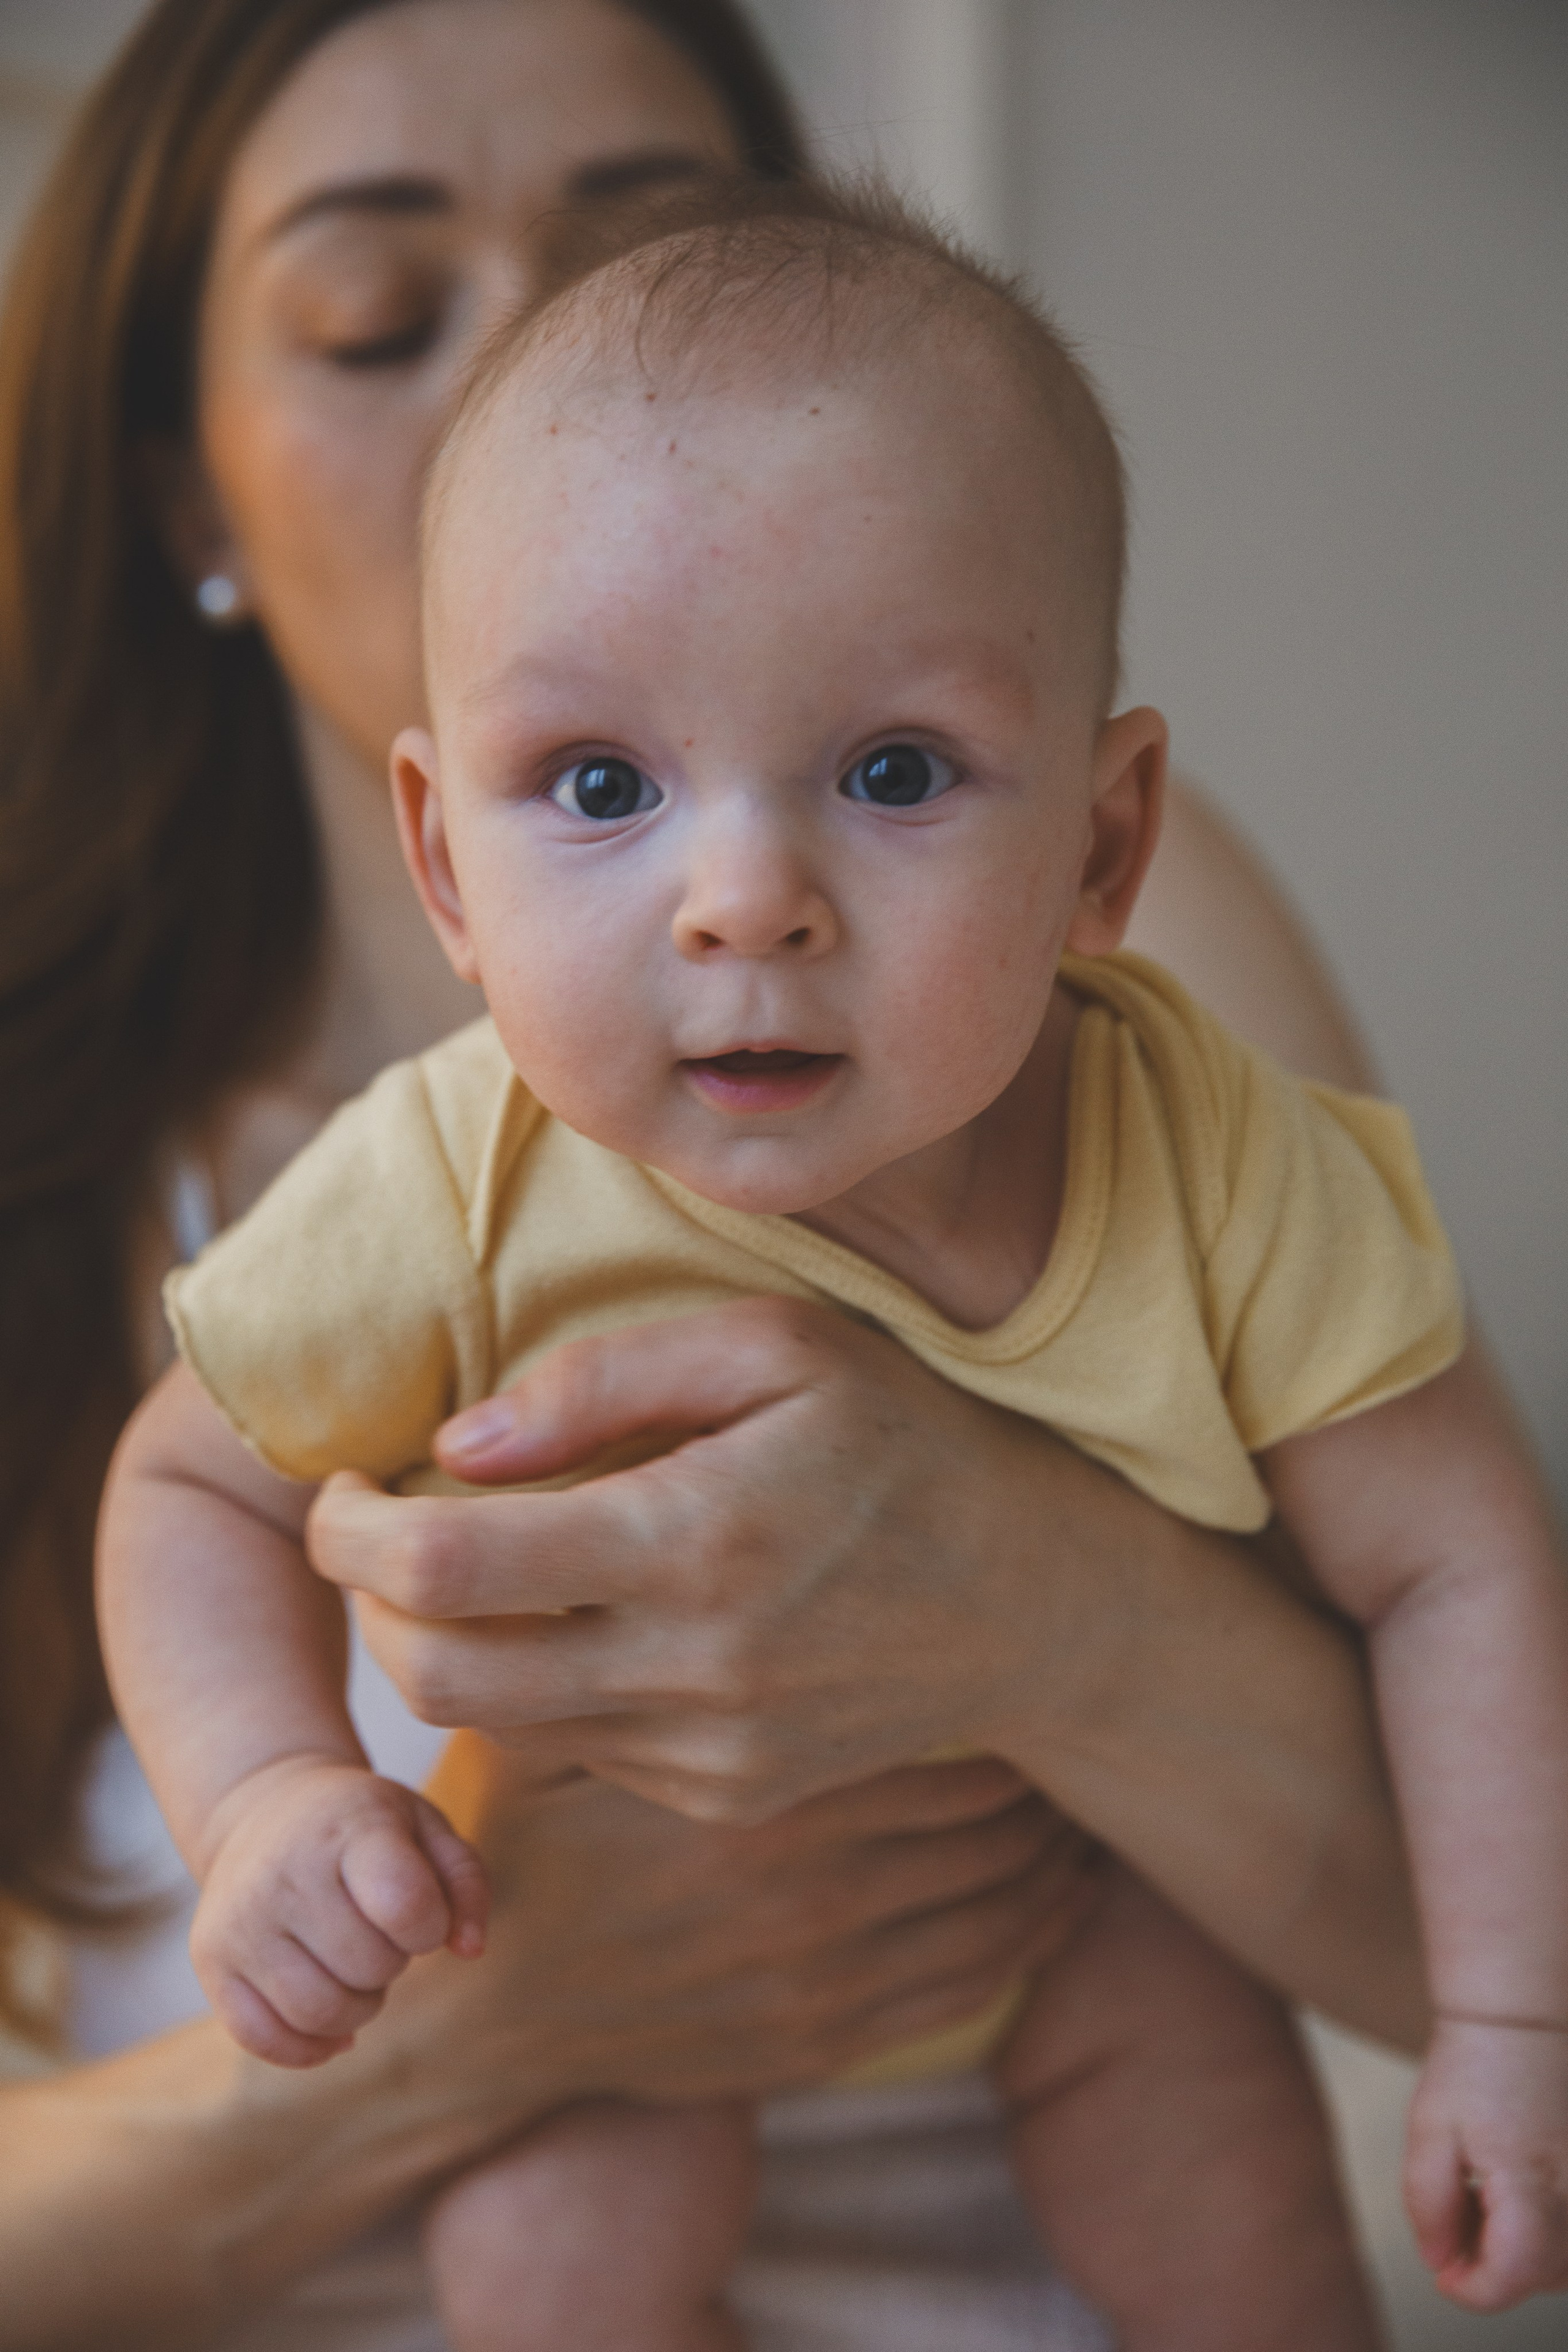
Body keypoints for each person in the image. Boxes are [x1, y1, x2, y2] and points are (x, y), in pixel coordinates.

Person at [0, 1, 1519, 2343]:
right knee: (564, 2247)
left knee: (1231, 2207)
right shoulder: (427, 1184)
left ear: (1096, 841)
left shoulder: (1171, 1097)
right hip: (569, 1944)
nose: (748, 903)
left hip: (1075, 1929)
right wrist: (289, 1812)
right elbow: (188, 1496)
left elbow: (1456, 1586)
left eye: (898, 769)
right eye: (381, 315)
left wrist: (1080, 1627)